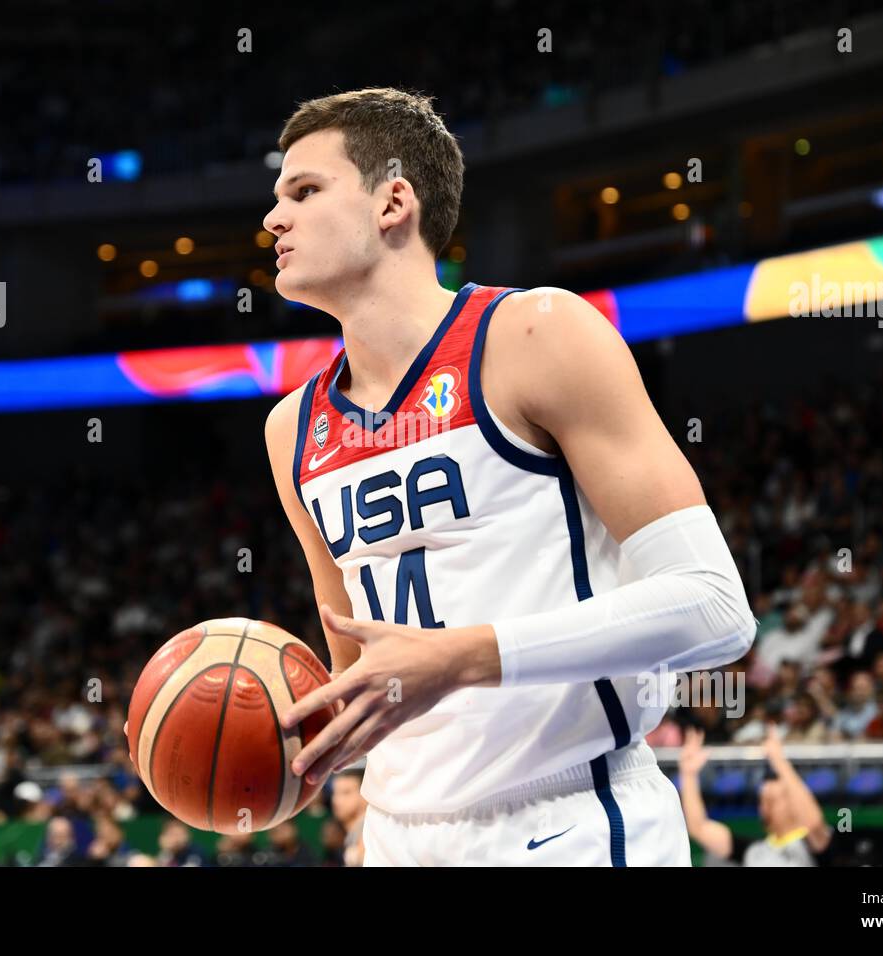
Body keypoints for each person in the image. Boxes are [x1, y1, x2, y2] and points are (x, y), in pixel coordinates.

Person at [257, 88, 756, 866]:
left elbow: (715, 609)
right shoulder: (290, 429)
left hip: (571, 817)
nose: (273, 218)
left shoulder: (534, 335)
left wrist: (462, 655)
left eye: (304, 191)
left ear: (394, 203)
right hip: (394, 835)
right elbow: (357, 671)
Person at [678, 727, 832, 866]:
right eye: (762, 800)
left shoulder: (811, 844)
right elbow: (699, 828)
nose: (765, 806)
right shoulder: (753, 850)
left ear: (793, 802)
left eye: (773, 800)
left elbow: (814, 823)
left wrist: (779, 761)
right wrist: (688, 775)